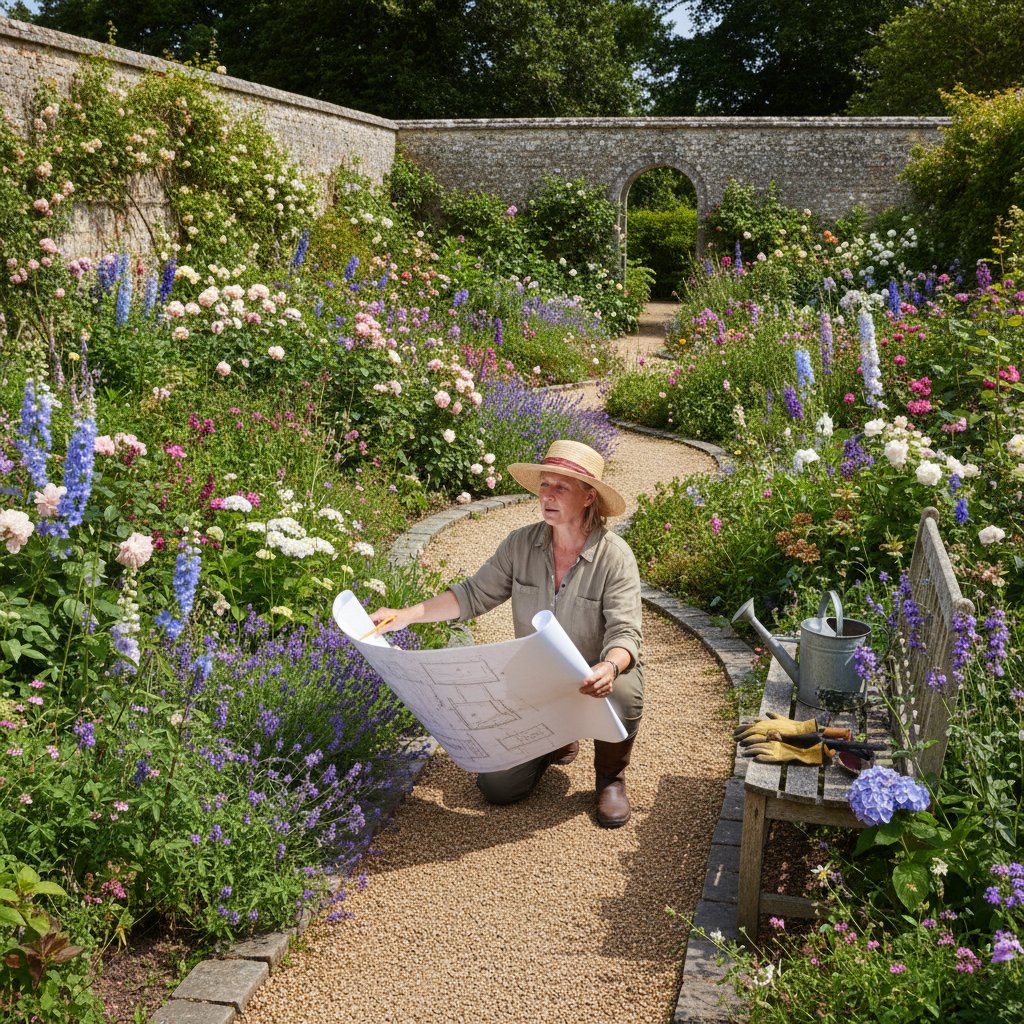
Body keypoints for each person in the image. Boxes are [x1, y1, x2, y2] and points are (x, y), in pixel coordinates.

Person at [368, 439, 644, 828]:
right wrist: (405, 615)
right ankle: (557, 740)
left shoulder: (615, 556)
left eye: (560, 488)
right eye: (544, 485)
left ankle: (610, 778)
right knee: (498, 789)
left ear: (588, 497)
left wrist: (610, 668)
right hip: (539, 681)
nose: (546, 496)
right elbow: (472, 595)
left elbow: (626, 633)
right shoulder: (520, 544)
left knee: (624, 690)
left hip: (596, 676)